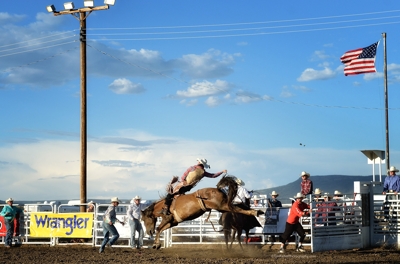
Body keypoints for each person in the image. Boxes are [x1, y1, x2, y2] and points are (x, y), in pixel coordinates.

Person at [161, 158, 227, 215]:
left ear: (199, 162)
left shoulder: (192, 168)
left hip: (183, 184)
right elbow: (213, 175)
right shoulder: (203, 172)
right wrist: (221, 172)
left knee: (170, 194)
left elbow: (183, 176)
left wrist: (182, 181)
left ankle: (166, 208)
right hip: (189, 187)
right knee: (178, 194)